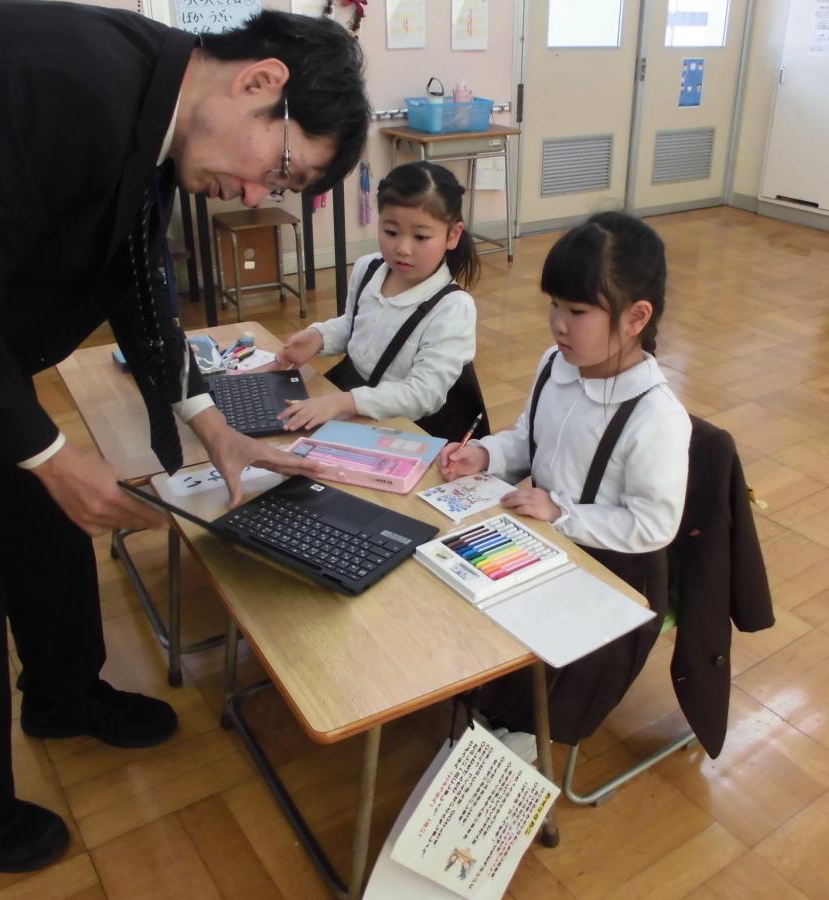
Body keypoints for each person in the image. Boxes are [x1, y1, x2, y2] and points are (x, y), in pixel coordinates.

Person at [0, 0, 370, 873]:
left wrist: (210, 424)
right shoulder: (66, 85)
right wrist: (53, 456)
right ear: (260, 81)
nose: (252, 196)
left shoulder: (148, 100)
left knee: (44, 521)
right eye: (277, 169)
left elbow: (136, 278)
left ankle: (63, 696)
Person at [438, 211, 692, 752]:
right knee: (454, 586)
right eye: (554, 304)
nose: (558, 323)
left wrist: (561, 512)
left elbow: (653, 526)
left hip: (616, 575)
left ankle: (525, 735)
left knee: (541, 690)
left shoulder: (657, 417)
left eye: (577, 311)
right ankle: (491, 706)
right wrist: (484, 454)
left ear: (636, 317)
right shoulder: (555, 364)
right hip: (547, 538)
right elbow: (529, 439)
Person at [272, 161, 490, 442]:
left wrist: (344, 402)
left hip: (412, 427)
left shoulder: (453, 308)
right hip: (357, 399)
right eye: (390, 232)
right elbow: (354, 325)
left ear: (453, 235)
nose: (403, 248)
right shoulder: (368, 268)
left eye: (421, 237)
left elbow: (423, 394)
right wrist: (318, 337)